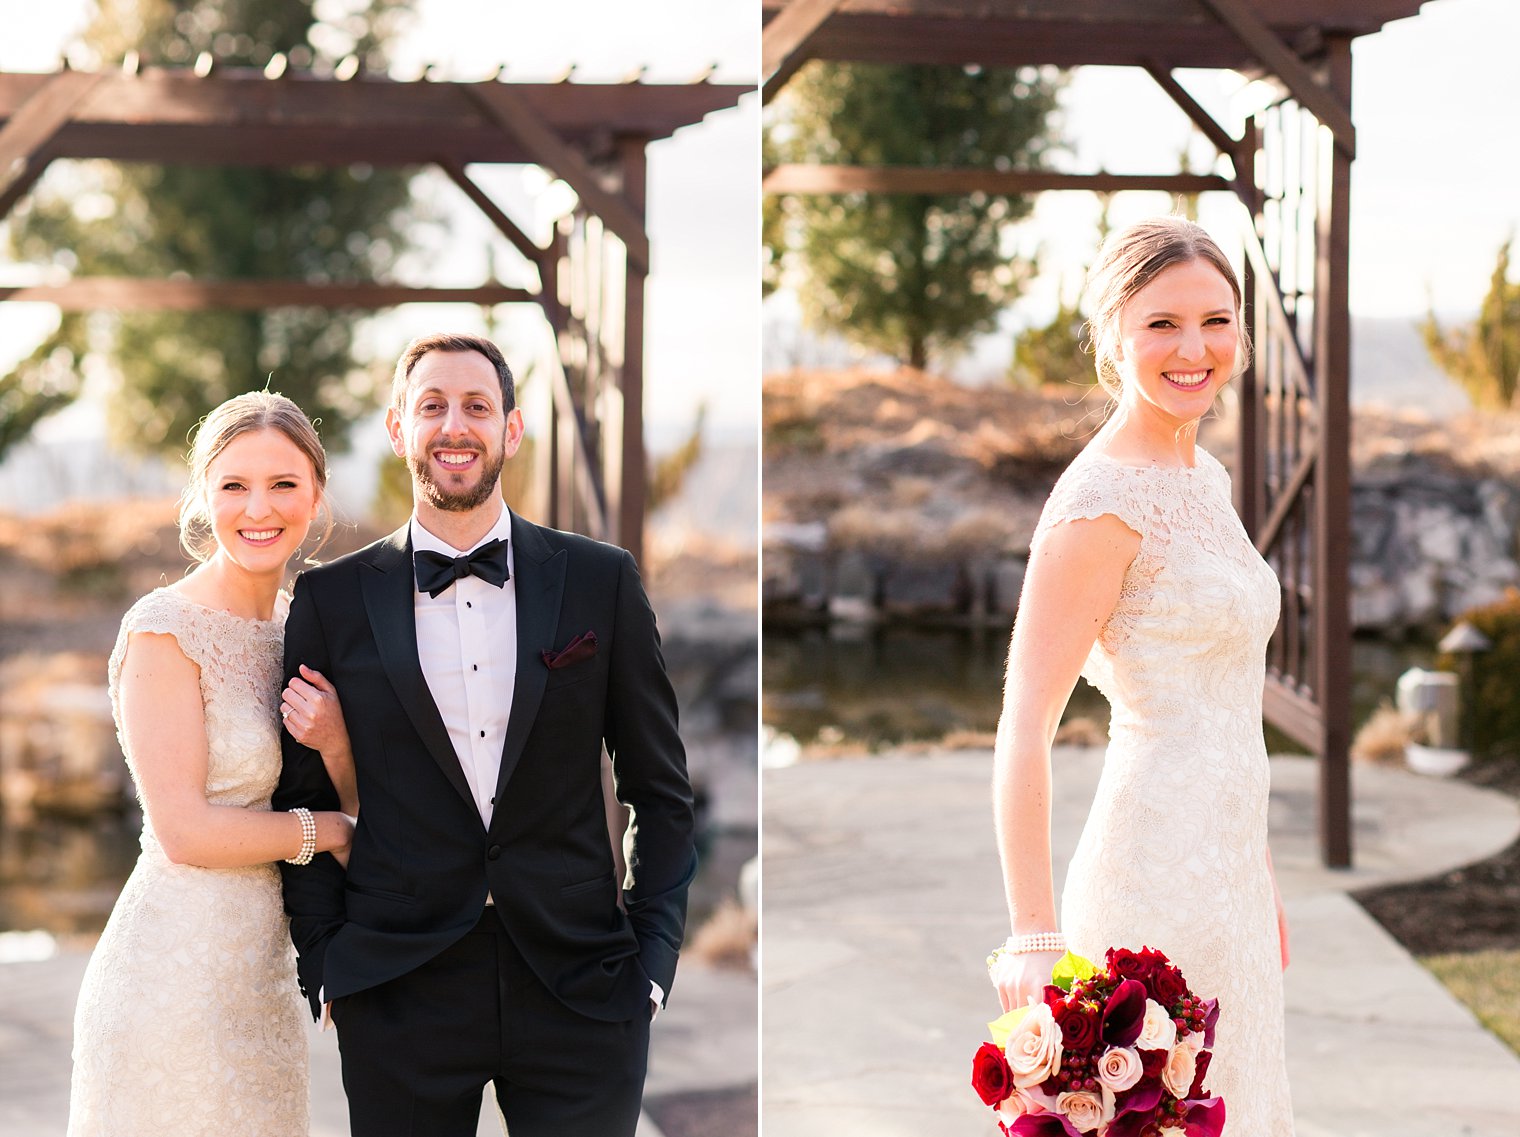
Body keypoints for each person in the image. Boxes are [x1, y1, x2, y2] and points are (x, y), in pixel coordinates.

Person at [274, 331, 696, 1137]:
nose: (454, 426)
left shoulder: (601, 579)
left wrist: (651, 966)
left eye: (477, 405)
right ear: (399, 430)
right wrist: (327, 968)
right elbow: (304, 797)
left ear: (512, 427)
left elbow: (661, 791)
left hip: (583, 986)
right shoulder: (330, 601)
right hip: (399, 988)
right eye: (431, 406)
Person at [990, 217, 1293, 1132]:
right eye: (1162, 323)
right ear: (1113, 333)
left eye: (1217, 320)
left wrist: (1263, 878)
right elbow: (1023, 726)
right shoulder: (1099, 504)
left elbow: (1232, 708)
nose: (1194, 349)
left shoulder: (1207, 477)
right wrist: (1036, 937)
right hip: (1148, 880)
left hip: (1232, 879)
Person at [68, 392, 356, 1136]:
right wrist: (332, 829)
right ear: (204, 496)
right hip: (168, 981)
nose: (258, 507)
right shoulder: (165, 630)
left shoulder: (303, 627)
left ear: (316, 494)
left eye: (283, 484)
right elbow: (184, 831)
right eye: (233, 485)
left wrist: (335, 742)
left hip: (259, 990)